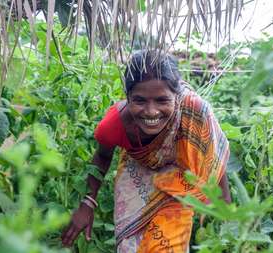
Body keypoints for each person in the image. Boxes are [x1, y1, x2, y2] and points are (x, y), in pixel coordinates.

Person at [61, 50, 231, 252]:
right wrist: (88, 202)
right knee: (130, 246)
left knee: (170, 244)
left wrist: (227, 212)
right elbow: (102, 156)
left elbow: (214, 159)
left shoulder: (195, 111)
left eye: (162, 100)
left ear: (176, 97)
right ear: (128, 97)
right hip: (137, 173)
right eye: (140, 100)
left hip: (179, 179)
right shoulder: (114, 124)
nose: (151, 111)